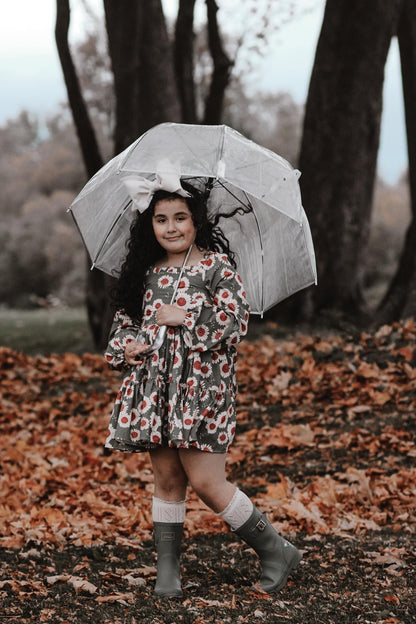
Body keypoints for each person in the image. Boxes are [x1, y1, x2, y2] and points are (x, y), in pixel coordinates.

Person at [104, 179, 302, 598]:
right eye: (161, 220)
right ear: (149, 225)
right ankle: (168, 573)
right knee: (167, 477)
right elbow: (122, 325)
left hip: (202, 391)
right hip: (157, 388)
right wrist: (129, 345)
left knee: (207, 480)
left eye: (180, 218)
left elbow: (235, 323)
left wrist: (187, 318)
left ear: (197, 222)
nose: (171, 227)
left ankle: (275, 549)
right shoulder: (145, 272)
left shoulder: (215, 267)